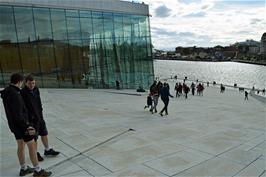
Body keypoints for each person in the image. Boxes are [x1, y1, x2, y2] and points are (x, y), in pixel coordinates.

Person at [0, 73, 51, 177]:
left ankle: (23, 168)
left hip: (14, 126)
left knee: (21, 145)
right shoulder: (16, 94)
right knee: (32, 146)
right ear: (19, 81)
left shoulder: (7, 91)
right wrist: (28, 126)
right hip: (22, 126)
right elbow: (19, 114)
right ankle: (38, 170)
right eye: (22, 82)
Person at [21, 75, 60, 162]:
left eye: (33, 83)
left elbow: (38, 102)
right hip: (32, 119)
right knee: (34, 138)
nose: (31, 85)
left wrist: (41, 113)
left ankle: (47, 149)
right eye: (29, 83)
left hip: (39, 116)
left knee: (44, 133)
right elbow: (23, 108)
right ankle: (35, 153)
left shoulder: (36, 90)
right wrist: (28, 120)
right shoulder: (23, 93)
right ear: (25, 83)